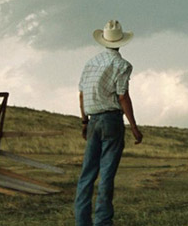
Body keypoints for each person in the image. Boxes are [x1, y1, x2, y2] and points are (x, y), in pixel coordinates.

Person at [75, 19, 143, 226]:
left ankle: (82, 220)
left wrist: (84, 121)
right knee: (106, 173)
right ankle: (103, 221)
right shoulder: (122, 65)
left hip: (93, 119)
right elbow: (122, 96)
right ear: (120, 42)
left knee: (87, 173)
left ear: (103, 41)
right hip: (112, 119)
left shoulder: (91, 63)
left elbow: (81, 94)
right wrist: (133, 126)